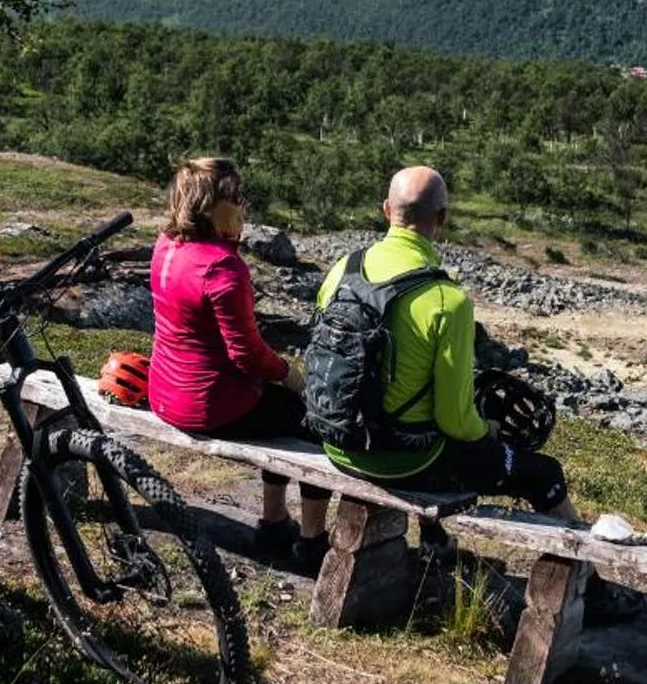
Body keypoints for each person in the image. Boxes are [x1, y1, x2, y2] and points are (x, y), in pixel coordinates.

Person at [314, 166, 578, 519]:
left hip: (337, 444)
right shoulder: (447, 300)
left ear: (387, 210)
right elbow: (455, 421)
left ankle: (437, 545)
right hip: (406, 463)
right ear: (442, 218)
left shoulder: (343, 268)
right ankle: (587, 573)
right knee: (544, 473)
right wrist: (489, 430)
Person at [148, 156, 330, 562]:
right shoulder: (222, 267)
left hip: (164, 392)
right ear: (210, 205)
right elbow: (247, 357)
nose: (243, 206)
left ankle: (275, 524)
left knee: (278, 408)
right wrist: (289, 374)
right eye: (235, 196)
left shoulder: (166, 246)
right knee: (314, 422)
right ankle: (311, 539)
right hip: (211, 405)